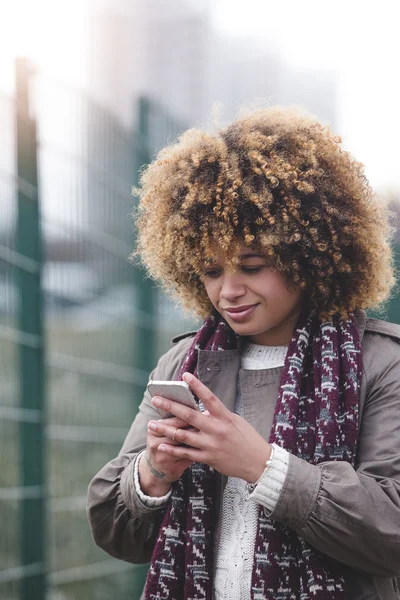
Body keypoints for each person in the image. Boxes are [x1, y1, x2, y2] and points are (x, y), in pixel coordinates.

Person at [87, 107, 400, 600]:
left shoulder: (381, 362)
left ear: (310, 254)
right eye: (211, 270)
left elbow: (391, 531)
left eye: (252, 266)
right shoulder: (184, 365)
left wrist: (262, 465)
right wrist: (154, 473)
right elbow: (115, 530)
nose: (229, 290)